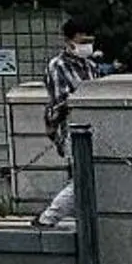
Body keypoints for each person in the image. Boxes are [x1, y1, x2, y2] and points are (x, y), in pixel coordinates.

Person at [36, 18, 102, 228]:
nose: (87, 46)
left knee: (87, 178)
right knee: (82, 179)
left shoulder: (91, 66)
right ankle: (49, 217)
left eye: (90, 41)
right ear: (69, 41)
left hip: (95, 131)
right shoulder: (58, 66)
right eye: (82, 41)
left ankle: (77, 220)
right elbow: (62, 102)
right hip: (71, 131)